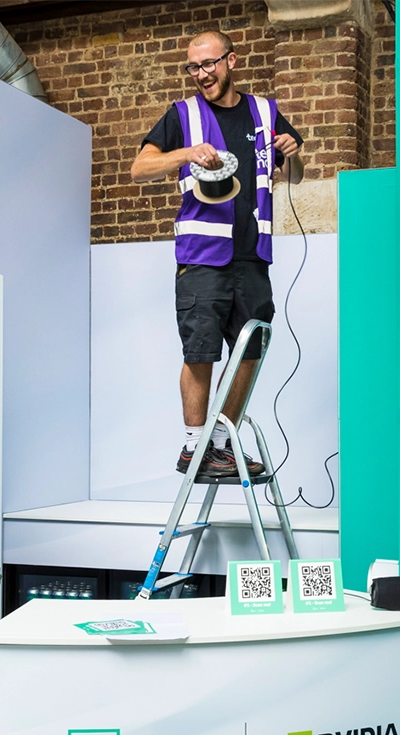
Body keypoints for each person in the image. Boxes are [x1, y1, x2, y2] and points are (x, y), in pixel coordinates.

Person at [131, 30, 303, 477]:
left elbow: (295, 175)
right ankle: (194, 447)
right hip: (202, 256)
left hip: (253, 255)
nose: (201, 74)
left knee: (250, 351)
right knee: (201, 350)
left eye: (208, 64)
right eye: (193, 67)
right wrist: (186, 153)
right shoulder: (183, 115)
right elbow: (139, 168)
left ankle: (221, 444)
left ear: (231, 60)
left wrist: (291, 153)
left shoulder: (265, 112)